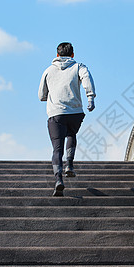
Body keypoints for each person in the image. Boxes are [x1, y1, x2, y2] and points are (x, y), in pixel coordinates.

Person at [39, 42, 96, 196]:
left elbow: (41, 96)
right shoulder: (78, 67)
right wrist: (90, 98)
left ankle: (58, 179)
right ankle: (69, 165)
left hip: (56, 114)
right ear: (72, 55)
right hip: (75, 112)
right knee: (71, 134)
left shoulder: (48, 71)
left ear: (57, 55)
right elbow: (87, 79)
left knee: (57, 148)